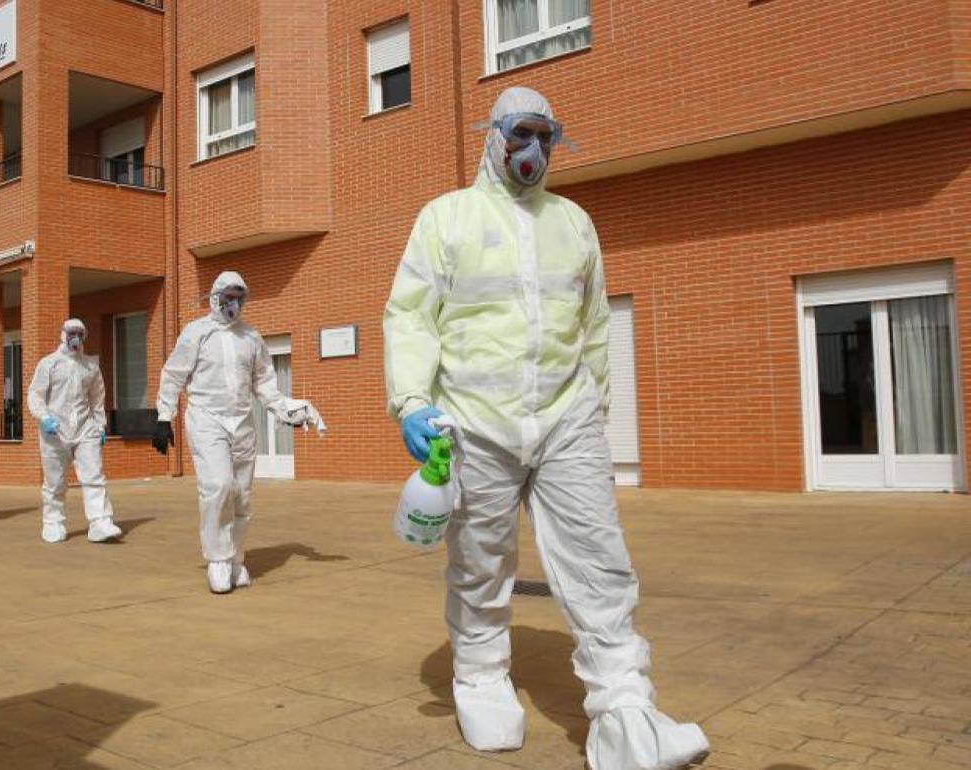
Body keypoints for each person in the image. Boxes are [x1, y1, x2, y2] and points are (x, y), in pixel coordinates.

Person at [383, 87, 709, 769]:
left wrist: (596, 410)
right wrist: (412, 399)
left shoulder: (574, 222)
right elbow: (411, 315)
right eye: (520, 135)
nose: (532, 152)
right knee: (481, 561)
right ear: (492, 136)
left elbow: (593, 327)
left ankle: (625, 710)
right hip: (475, 422)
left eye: (545, 137)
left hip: (565, 419)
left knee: (599, 560)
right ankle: (480, 676)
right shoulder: (447, 218)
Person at [155, 271, 326, 594]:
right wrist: (164, 416)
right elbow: (174, 374)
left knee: (242, 496)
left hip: (242, 422)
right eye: (228, 296)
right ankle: (217, 559)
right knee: (218, 486)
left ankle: (235, 558)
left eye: (239, 297)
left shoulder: (251, 338)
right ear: (215, 297)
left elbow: (265, 384)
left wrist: (291, 410)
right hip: (207, 418)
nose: (234, 303)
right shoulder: (196, 333)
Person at [26, 319, 123, 544]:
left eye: (80, 333)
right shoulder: (49, 364)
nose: (75, 337)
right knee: (55, 481)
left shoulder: (90, 366)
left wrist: (99, 425)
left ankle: (100, 521)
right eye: (71, 333)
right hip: (54, 430)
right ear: (63, 335)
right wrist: (44, 417)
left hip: (84, 427)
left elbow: (97, 398)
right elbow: (35, 394)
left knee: (94, 475)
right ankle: (53, 522)